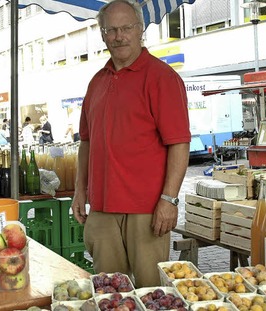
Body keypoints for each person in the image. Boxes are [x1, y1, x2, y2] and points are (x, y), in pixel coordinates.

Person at [71, 0, 191, 288]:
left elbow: (179, 143)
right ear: (102, 35)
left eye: (126, 28)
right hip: (101, 210)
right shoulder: (96, 82)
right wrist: (79, 191)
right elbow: (86, 142)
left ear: (140, 30)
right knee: (109, 292)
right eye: (111, 29)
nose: (119, 36)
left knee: (152, 293)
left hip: (147, 211)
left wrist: (169, 200)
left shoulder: (162, 77)